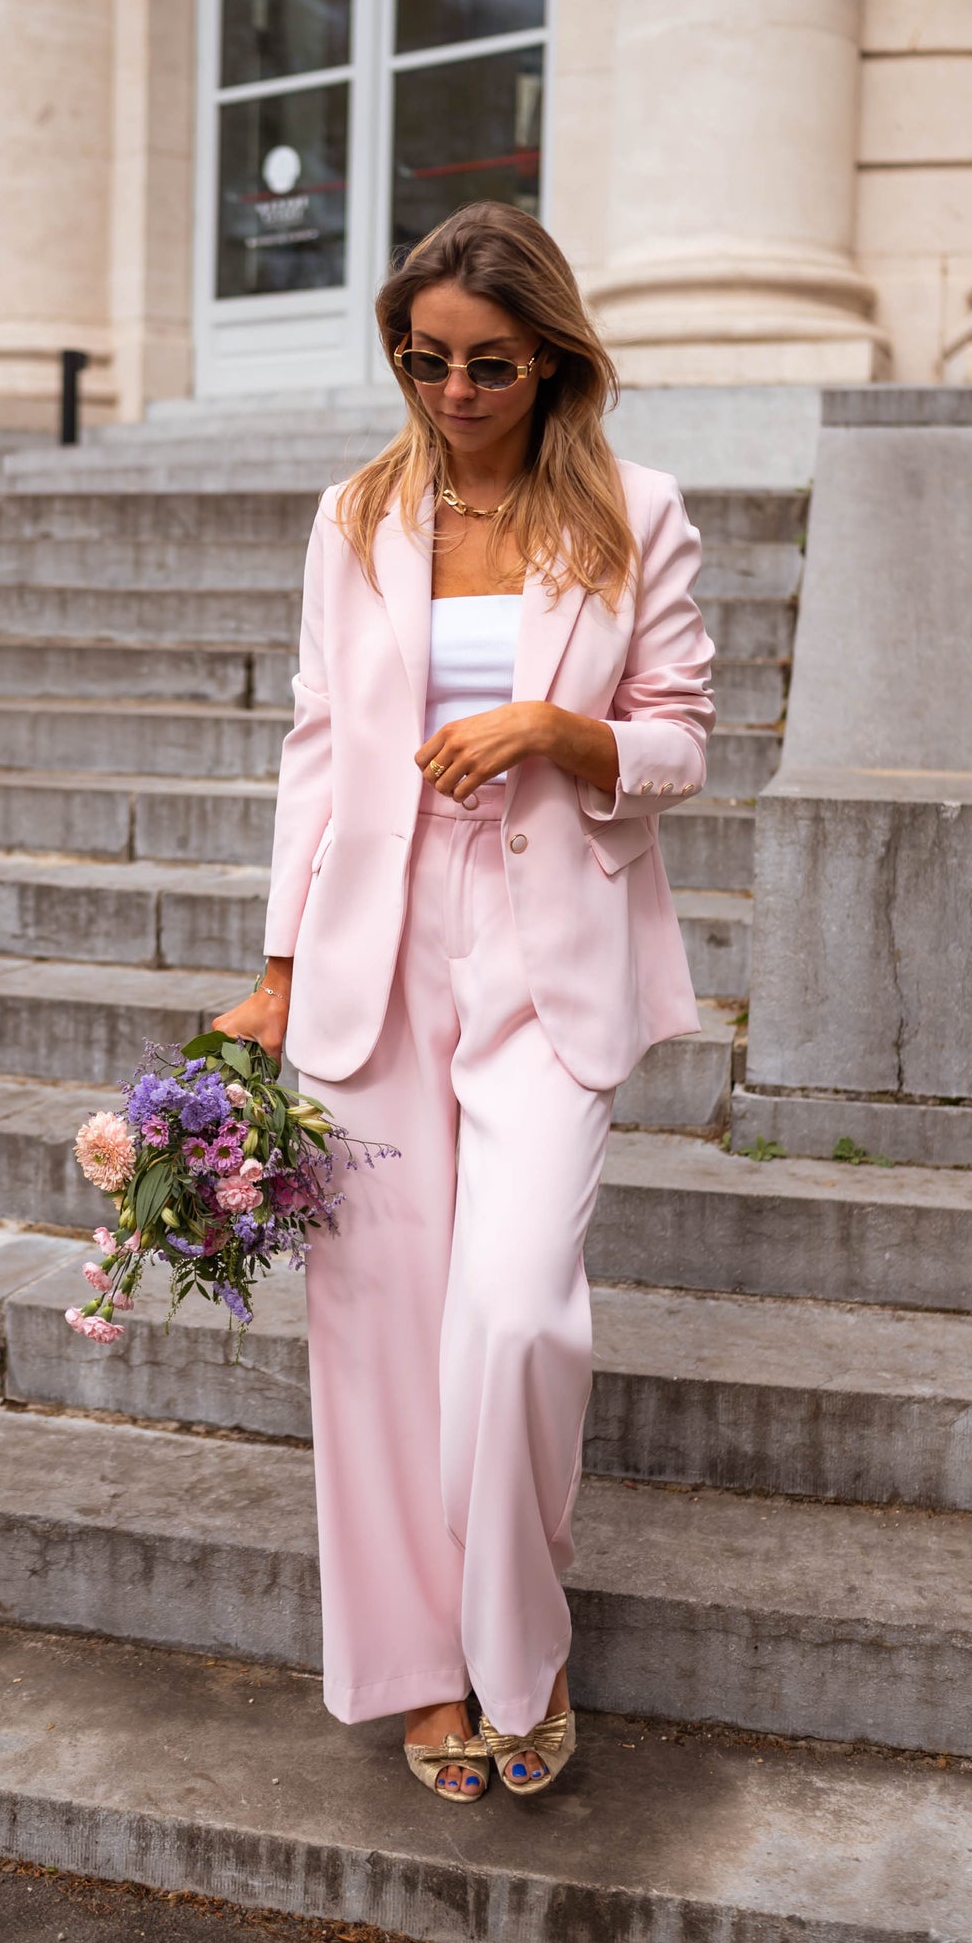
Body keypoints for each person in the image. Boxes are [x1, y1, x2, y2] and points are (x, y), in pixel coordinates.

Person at [215, 200, 715, 1802]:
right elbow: (316, 751)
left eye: (487, 365)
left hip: (546, 946)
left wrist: (557, 733)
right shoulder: (353, 515)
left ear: (552, 358)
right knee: (372, 1334)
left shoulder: (635, 514)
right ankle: (424, 1666)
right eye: (423, 360)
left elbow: (682, 733)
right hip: (373, 950)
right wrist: (281, 966)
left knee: (510, 1309)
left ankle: (525, 1637)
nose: (452, 392)